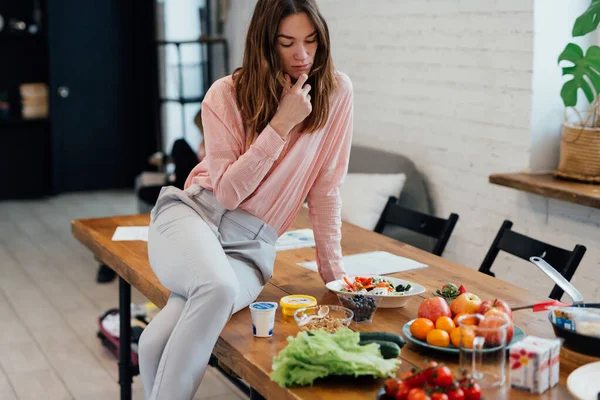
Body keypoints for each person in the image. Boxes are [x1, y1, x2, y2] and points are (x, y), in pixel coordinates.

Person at [138, 0, 353, 398]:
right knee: (215, 289)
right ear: (263, 44)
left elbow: (326, 190)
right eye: (286, 43)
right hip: (194, 217)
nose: (302, 55)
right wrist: (281, 124)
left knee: (157, 340)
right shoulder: (226, 94)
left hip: (250, 249)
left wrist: (336, 278)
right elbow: (229, 192)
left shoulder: (336, 92)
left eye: (311, 41)